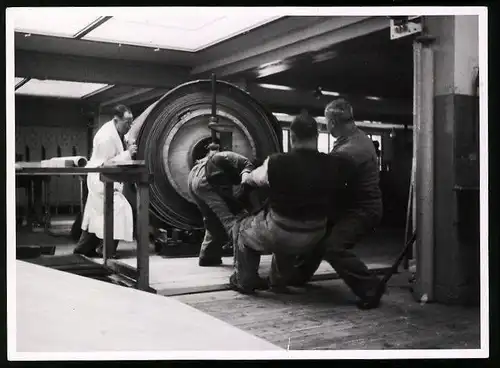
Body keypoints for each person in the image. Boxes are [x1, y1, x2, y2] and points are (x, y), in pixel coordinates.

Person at [230, 111, 349, 294]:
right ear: (316, 136)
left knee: (242, 228)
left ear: (292, 137)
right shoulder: (334, 163)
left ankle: (244, 281)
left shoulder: (276, 162)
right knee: (283, 229)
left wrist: (245, 174)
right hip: (316, 235)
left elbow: (251, 181)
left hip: (281, 232)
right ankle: (278, 281)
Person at [289, 98, 384, 309]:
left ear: (331, 123)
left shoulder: (353, 148)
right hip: (348, 208)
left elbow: (328, 174)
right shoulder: (349, 139)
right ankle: (296, 276)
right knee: (316, 235)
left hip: (363, 210)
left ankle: (371, 288)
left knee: (333, 247)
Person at [73, 105, 137, 258]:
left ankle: (83, 249)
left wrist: (127, 145)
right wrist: (127, 154)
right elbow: (106, 164)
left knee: (96, 216)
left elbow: (121, 145)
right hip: (100, 180)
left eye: (131, 122)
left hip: (107, 179)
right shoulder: (106, 137)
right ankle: (106, 249)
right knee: (119, 210)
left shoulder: (116, 131)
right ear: (116, 120)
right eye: (127, 122)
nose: (129, 126)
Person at [187, 140, 256, 267]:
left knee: (212, 219)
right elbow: (247, 166)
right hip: (206, 178)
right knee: (233, 220)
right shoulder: (234, 158)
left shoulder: (215, 159)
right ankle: (243, 267)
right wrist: (245, 183)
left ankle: (208, 257)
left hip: (193, 177)